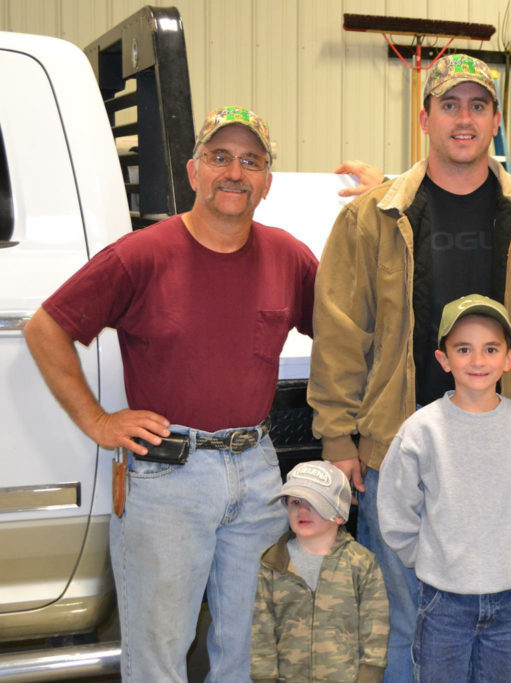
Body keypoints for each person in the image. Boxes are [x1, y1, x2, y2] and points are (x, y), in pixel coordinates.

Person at [308, 54, 511, 681]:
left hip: (504, 456)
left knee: (500, 625)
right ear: (424, 118)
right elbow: (339, 332)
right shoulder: (372, 217)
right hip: (401, 453)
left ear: (495, 119)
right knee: (404, 622)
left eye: (477, 106)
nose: (463, 119)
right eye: (449, 105)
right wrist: (337, 434)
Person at [22, 106, 317, 681]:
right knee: (159, 656)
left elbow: (340, 334)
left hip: (256, 473)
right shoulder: (143, 254)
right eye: (220, 157)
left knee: (248, 653)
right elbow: (44, 328)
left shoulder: (289, 256)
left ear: (267, 182)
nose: (235, 172)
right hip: (166, 476)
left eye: (251, 161)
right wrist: (98, 421)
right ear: (193, 171)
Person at [377, 295, 511, 682]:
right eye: (463, 349)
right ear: (443, 359)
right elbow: (396, 505)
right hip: (442, 601)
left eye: (490, 349)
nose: (477, 361)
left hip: (510, 599)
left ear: (509, 358)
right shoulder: (422, 429)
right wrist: (424, 555)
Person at [251, 460, 389, 682]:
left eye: (313, 503)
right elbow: (262, 632)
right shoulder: (274, 563)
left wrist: (370, 675)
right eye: (295, 501)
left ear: (338, 514)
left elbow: (376, 629)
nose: (302, 510)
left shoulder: (361, 564)